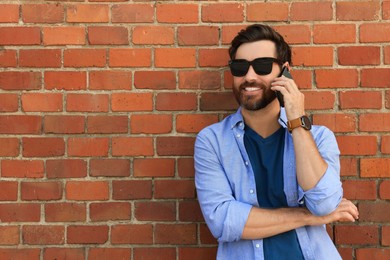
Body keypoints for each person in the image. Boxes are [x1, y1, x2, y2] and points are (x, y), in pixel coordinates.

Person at [194, 24, 359, 260]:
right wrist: (311, 217)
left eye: (262, 66)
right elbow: (223, 222)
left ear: (285, 72)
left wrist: (297, 120)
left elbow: (323, 203)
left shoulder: (320, 138)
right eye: (240, 67)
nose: (249, 77)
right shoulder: (212, 142)